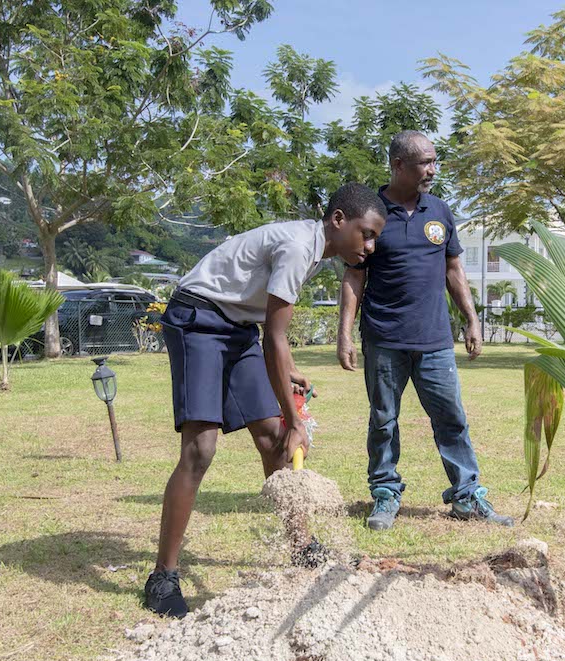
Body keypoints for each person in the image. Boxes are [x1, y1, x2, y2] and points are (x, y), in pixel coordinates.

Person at [145, 183, 387, 618]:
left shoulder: (314, 249)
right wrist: (295, 419)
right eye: (366, 233)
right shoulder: (299, 248)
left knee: (274, 439)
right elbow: (273, 338)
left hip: (235, 327)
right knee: (201, 448)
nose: (369, 247)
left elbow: (270, 329)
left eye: (374, 238)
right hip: (198, 317)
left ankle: (301, 546)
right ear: (338, 221)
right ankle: (163, 577)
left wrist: (287, 375)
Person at [337, 131, 514, 531]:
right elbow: (353, 276)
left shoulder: (440, 211)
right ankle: (384, 493)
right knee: (384, 420)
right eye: (425, 163)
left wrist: (471, 318)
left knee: (451, 417)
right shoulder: (372, 212)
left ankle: (467, 497)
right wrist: (345, 333)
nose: (432, 170)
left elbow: (454, 269)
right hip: (384, 338)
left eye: (435, 162)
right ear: (399, 165)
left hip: (434, 339)